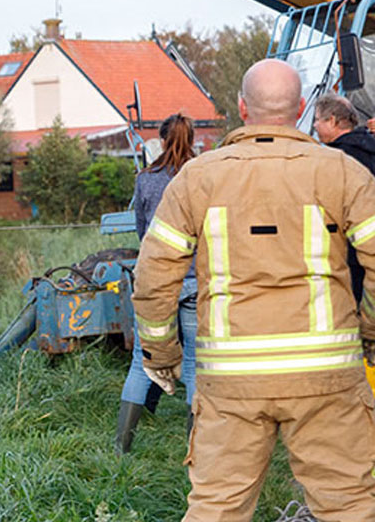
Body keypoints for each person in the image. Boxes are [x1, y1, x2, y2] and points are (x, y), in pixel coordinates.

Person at [134, 59, 375, 521]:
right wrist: (371, 328)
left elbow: (154, 275)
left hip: (231, 379)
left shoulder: (198, 178)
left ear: (242, 107)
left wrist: (160, 354)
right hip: (325, 374)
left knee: (217, 508)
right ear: (302, 108)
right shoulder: (342, 173)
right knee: (348, 506)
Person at [114, 113, 198, 454]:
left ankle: (122, 447)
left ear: (161, 141)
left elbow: (141, 230)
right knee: (195, 363)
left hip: (154, 283)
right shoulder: (201, 176)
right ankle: (196, 447)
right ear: (192, 140)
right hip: (194, 279)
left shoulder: (145, 179)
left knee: (141, 362)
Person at [315, 93, 375, 303]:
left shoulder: (335, 160)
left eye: (317, 119)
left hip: (348, 254)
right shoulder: (369, 147)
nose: (314, 126)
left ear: (332, 120)